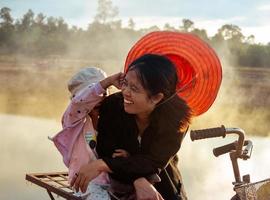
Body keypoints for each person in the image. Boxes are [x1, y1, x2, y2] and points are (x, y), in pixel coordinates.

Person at [71, 54, 192, 200]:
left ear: (156, 98)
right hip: (121, 185)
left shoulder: (176, 120)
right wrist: (138, 180)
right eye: (125, 83)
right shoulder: (113, 105)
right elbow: (107, 148)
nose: (125, 92)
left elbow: (153, 162)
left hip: (163, 184)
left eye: (134, 88)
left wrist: (100, 165)